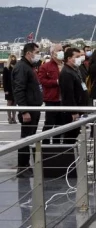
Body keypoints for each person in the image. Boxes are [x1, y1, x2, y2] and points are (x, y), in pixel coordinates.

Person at [12, 43, 44, 178]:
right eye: (37, 52)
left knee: (30, 137)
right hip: (29, 109)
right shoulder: (22, 68)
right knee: (25, 138)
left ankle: (27, 165)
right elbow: (19, 90)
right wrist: (24, 110)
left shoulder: (29, 67)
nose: (38, 55)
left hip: (34, 107)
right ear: (29, 53)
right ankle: (22, 166)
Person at [59, 48, 88, 144]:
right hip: (71, 111)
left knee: (74, 135)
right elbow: (68, 94)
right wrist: (73, 111)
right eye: (77, 57)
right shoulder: (66, 73)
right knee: (69, 136)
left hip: (79, 107)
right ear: (69, 58)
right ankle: (68, 157)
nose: (80, 59)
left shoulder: (75, 70)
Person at [38, 43, 64, 142]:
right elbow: (42, 80)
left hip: (63, 100)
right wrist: (56, 82)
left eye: (62, 50)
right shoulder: (45, 66)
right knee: (49, 123)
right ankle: (45, 145)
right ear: (53, 53)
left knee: (60, 125)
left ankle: (57, 146)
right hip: (52, 99)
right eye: (59, 50)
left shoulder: (65, 65)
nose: (61, 52)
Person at [3, 54, 17, 124]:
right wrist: (5, 90)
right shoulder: (6, 69)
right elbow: (4, 80)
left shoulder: (17, 68)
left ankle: (14, 118)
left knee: (14, 103)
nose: (13, 60)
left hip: (15, 88)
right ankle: (9, 118)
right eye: (12, 59)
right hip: (9, 88)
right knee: (9, 103)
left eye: (14, 59)